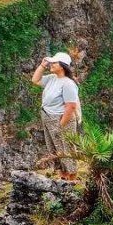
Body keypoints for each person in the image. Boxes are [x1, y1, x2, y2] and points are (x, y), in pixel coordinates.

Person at [31, 51, 81, 181]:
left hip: (61, 119)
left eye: (54, 62)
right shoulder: (52, 79)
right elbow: (35, 80)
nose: (51, 64)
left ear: (62, 66)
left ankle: (71, 178)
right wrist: (42, 66)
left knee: (66, 148)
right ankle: (62, 176)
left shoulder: (68, 83)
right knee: (53, 147)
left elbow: (71, 106)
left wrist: (61, 125)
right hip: (48, 118)